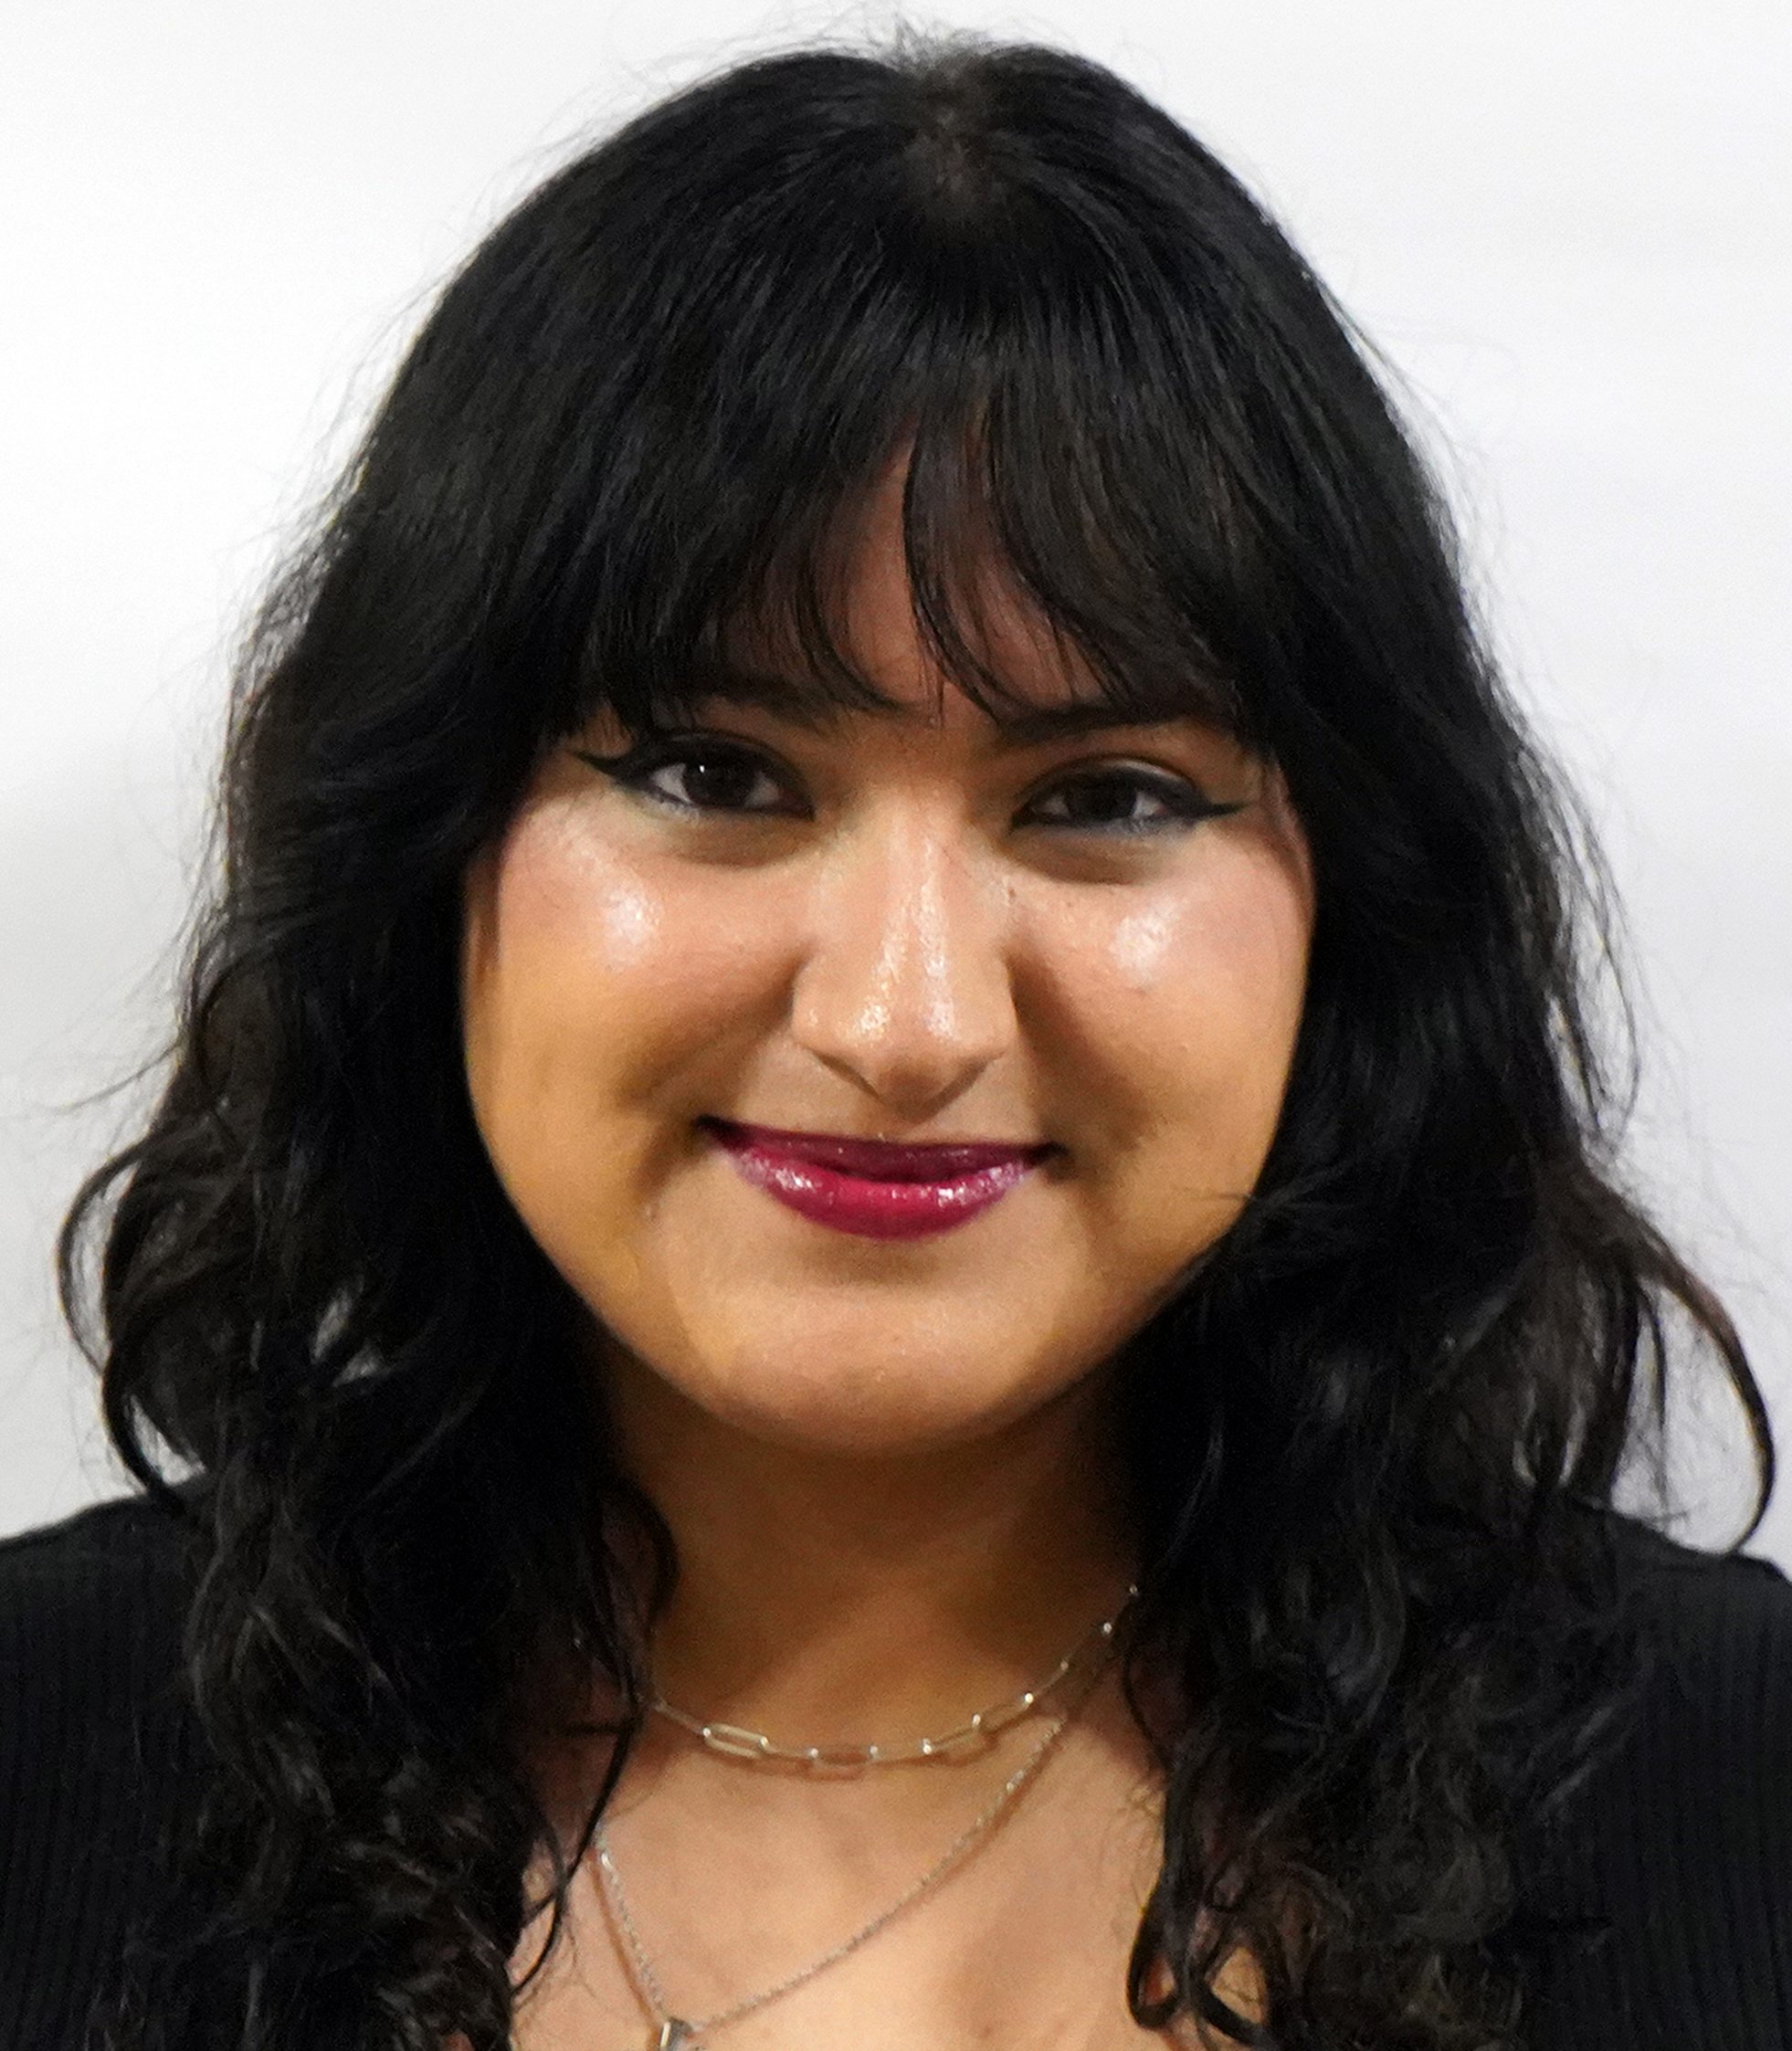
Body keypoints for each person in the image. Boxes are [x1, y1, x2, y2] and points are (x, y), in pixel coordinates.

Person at [1, 28, 1786, 2051]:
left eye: (1105, 795)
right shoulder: (44, 1759)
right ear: (425, 856)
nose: (904, 1020)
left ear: (1350, 909)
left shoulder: (1728, 1791)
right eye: (715, 770)